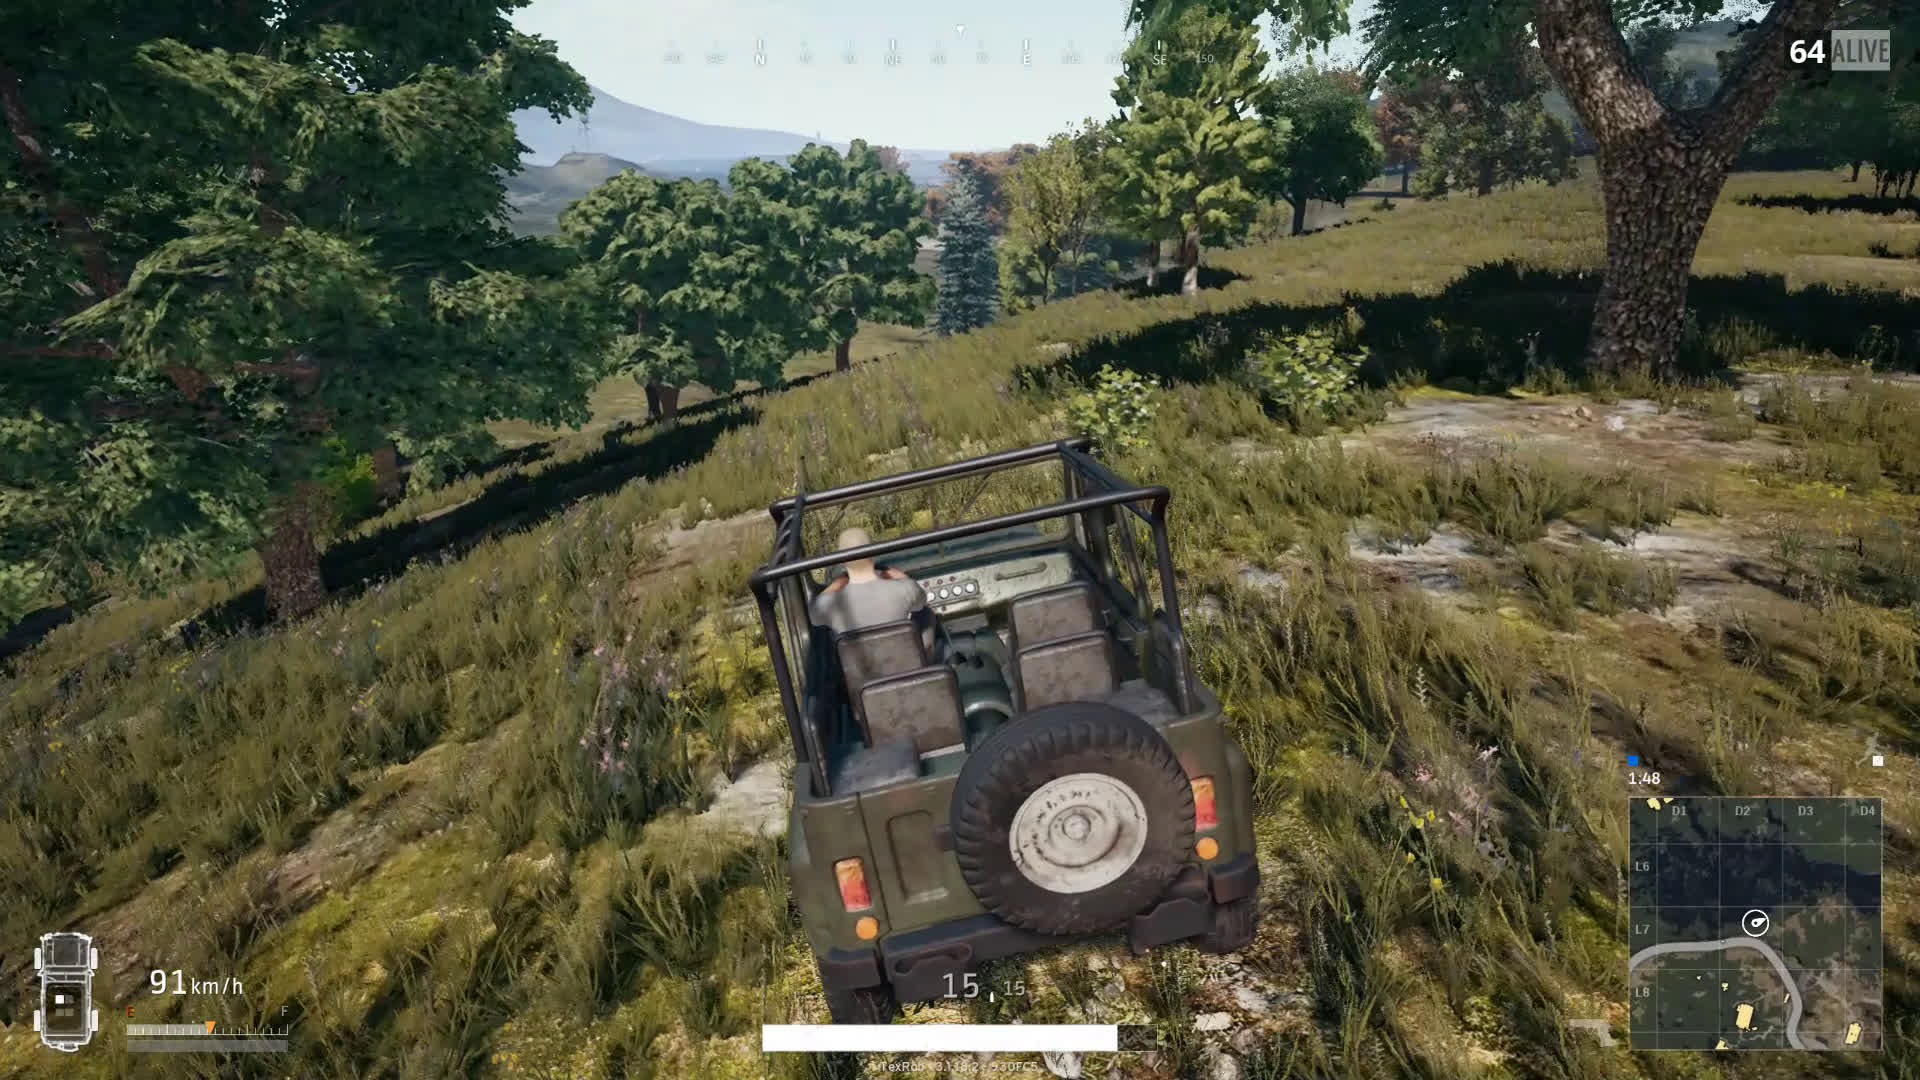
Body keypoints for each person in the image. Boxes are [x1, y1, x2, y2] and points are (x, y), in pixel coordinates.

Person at [809, 527, 934, 651]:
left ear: (842, 560)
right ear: (872, 552)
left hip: (858, 665)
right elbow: (921, 601)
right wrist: (899, 576)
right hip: (908, 663)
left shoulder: (829, 604)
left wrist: (838, 583)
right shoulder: (904, 589)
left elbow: (813, 616)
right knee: (926, 613)